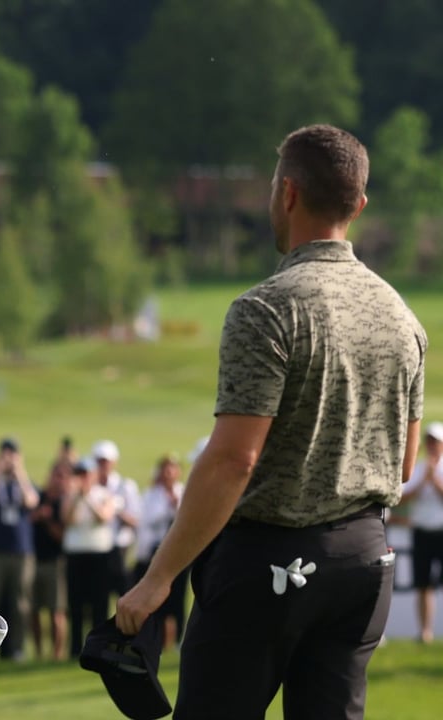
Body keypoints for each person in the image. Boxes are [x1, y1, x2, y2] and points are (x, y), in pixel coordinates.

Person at [118, 124, 428, 720]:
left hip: (266, 566)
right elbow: (403, 462)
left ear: (286, 194)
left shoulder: (267, 308)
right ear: (358, 206)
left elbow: (235, 460)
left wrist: (159, 580)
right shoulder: (403, 317)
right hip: (365, 563)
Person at [0, 437, 40, 661]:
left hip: (21, 553)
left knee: (20, 602)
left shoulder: (24, 482)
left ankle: (17, 648)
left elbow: (31, 501)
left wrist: (19, 472)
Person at [132, 453, 187, 649]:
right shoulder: (151, 494)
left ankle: (179, 639)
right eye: (165, 468)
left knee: (178, 599)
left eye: (172, 468)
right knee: (157, 600)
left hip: (179, 553)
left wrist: (174, 503)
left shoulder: (183, 492)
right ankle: (158, 640)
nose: (169, 473)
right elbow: (147, 521)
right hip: (155, 551)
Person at [62, 458, 116, 658]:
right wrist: (78, 497)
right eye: (80, 474)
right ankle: (75, 648)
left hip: (99, 555)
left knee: (99, 603)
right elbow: (68, 520)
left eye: (86, 474)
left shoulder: (103, 494)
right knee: (75, 604)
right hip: (76, 555)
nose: (83, 478)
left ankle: (98, 647)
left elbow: (104, 517)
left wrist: (88, 497)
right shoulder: (70, 496)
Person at [403, 421, 443, 643]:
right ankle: (425, 632)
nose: (432, 445)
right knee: (423, 584)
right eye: (429, 441)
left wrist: (433, 479)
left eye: (436, 442)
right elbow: (402, 499)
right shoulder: (417, 468)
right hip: (422, 532)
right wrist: (423, 480)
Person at [30, 458, 70, 661]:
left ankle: (57, 653)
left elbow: (62, 536)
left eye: (62, 477)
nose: (57, 480)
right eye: (55, 475)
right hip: (34, 560)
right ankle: (38, 652)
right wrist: (36, 516)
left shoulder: (65, 503)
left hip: (56, 562)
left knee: (57, 610)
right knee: (34, 610)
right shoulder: (38, 497)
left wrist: (47, 520)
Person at [91, 440, 141, 596]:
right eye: (99, 461)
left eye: (106, 461)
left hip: (120, 549)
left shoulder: (126, 486)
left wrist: (116, 512)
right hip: (96, 549)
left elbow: (136, 521)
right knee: (99, 598)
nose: (102, 465)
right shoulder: (90, 488)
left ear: (114, 462)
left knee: (125, 595)